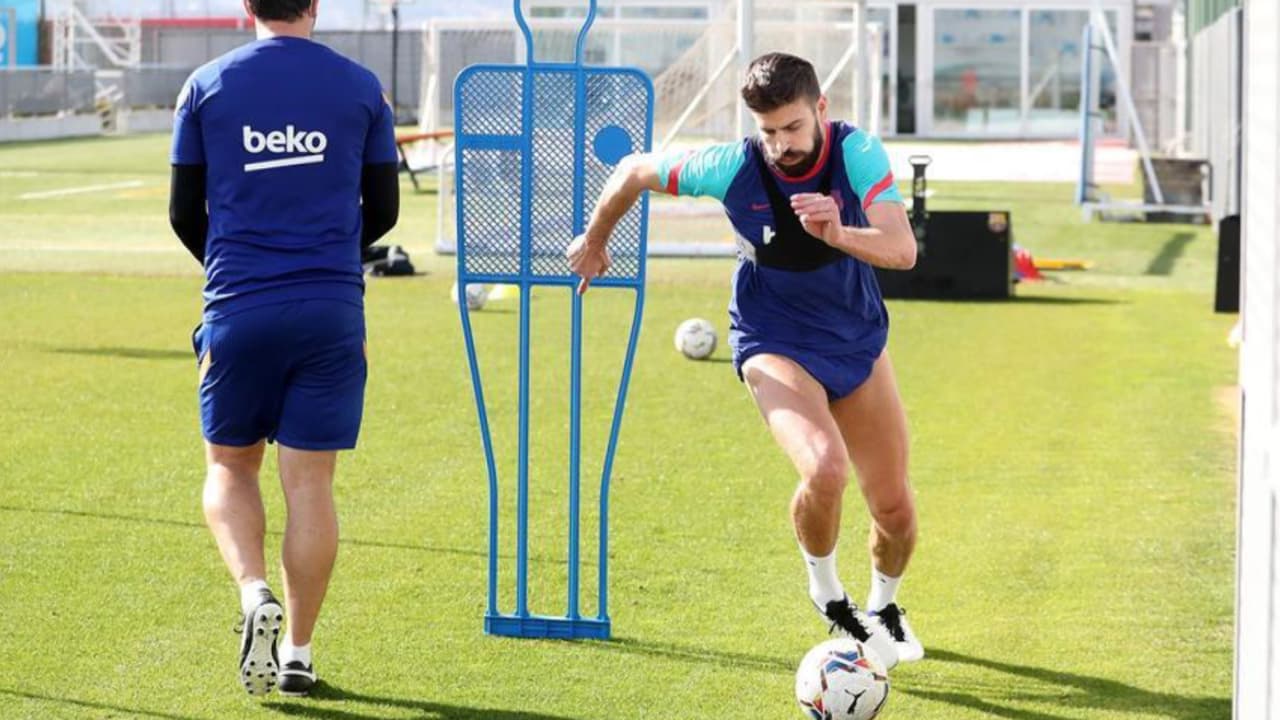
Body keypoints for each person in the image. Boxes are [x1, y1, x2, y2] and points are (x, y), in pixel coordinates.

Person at [567, 52, 923, 667]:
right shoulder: (731, 164)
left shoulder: (856, 153)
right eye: (768, 131)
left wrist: (838, 233)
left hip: (856, 339)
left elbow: (902, 249)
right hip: (772, 339)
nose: (781, 144)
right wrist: (596, 239)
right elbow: (631, 170)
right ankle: (828, 593)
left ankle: (884, 608)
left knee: (893, 508)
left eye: (792, 127)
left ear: (820, 109)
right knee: (824, 469)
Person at [168, 0, 399, 697]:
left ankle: (252, 591)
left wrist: (232, 267)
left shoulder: (206, 84)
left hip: (239, 305)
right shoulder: (360, 85)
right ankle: (297, 653)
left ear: (246, 5)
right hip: (331, 310)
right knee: (311, 484)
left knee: (231, 467)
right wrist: (330, 256)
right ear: (316, 4)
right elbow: (384, 208)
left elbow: (184, 210)